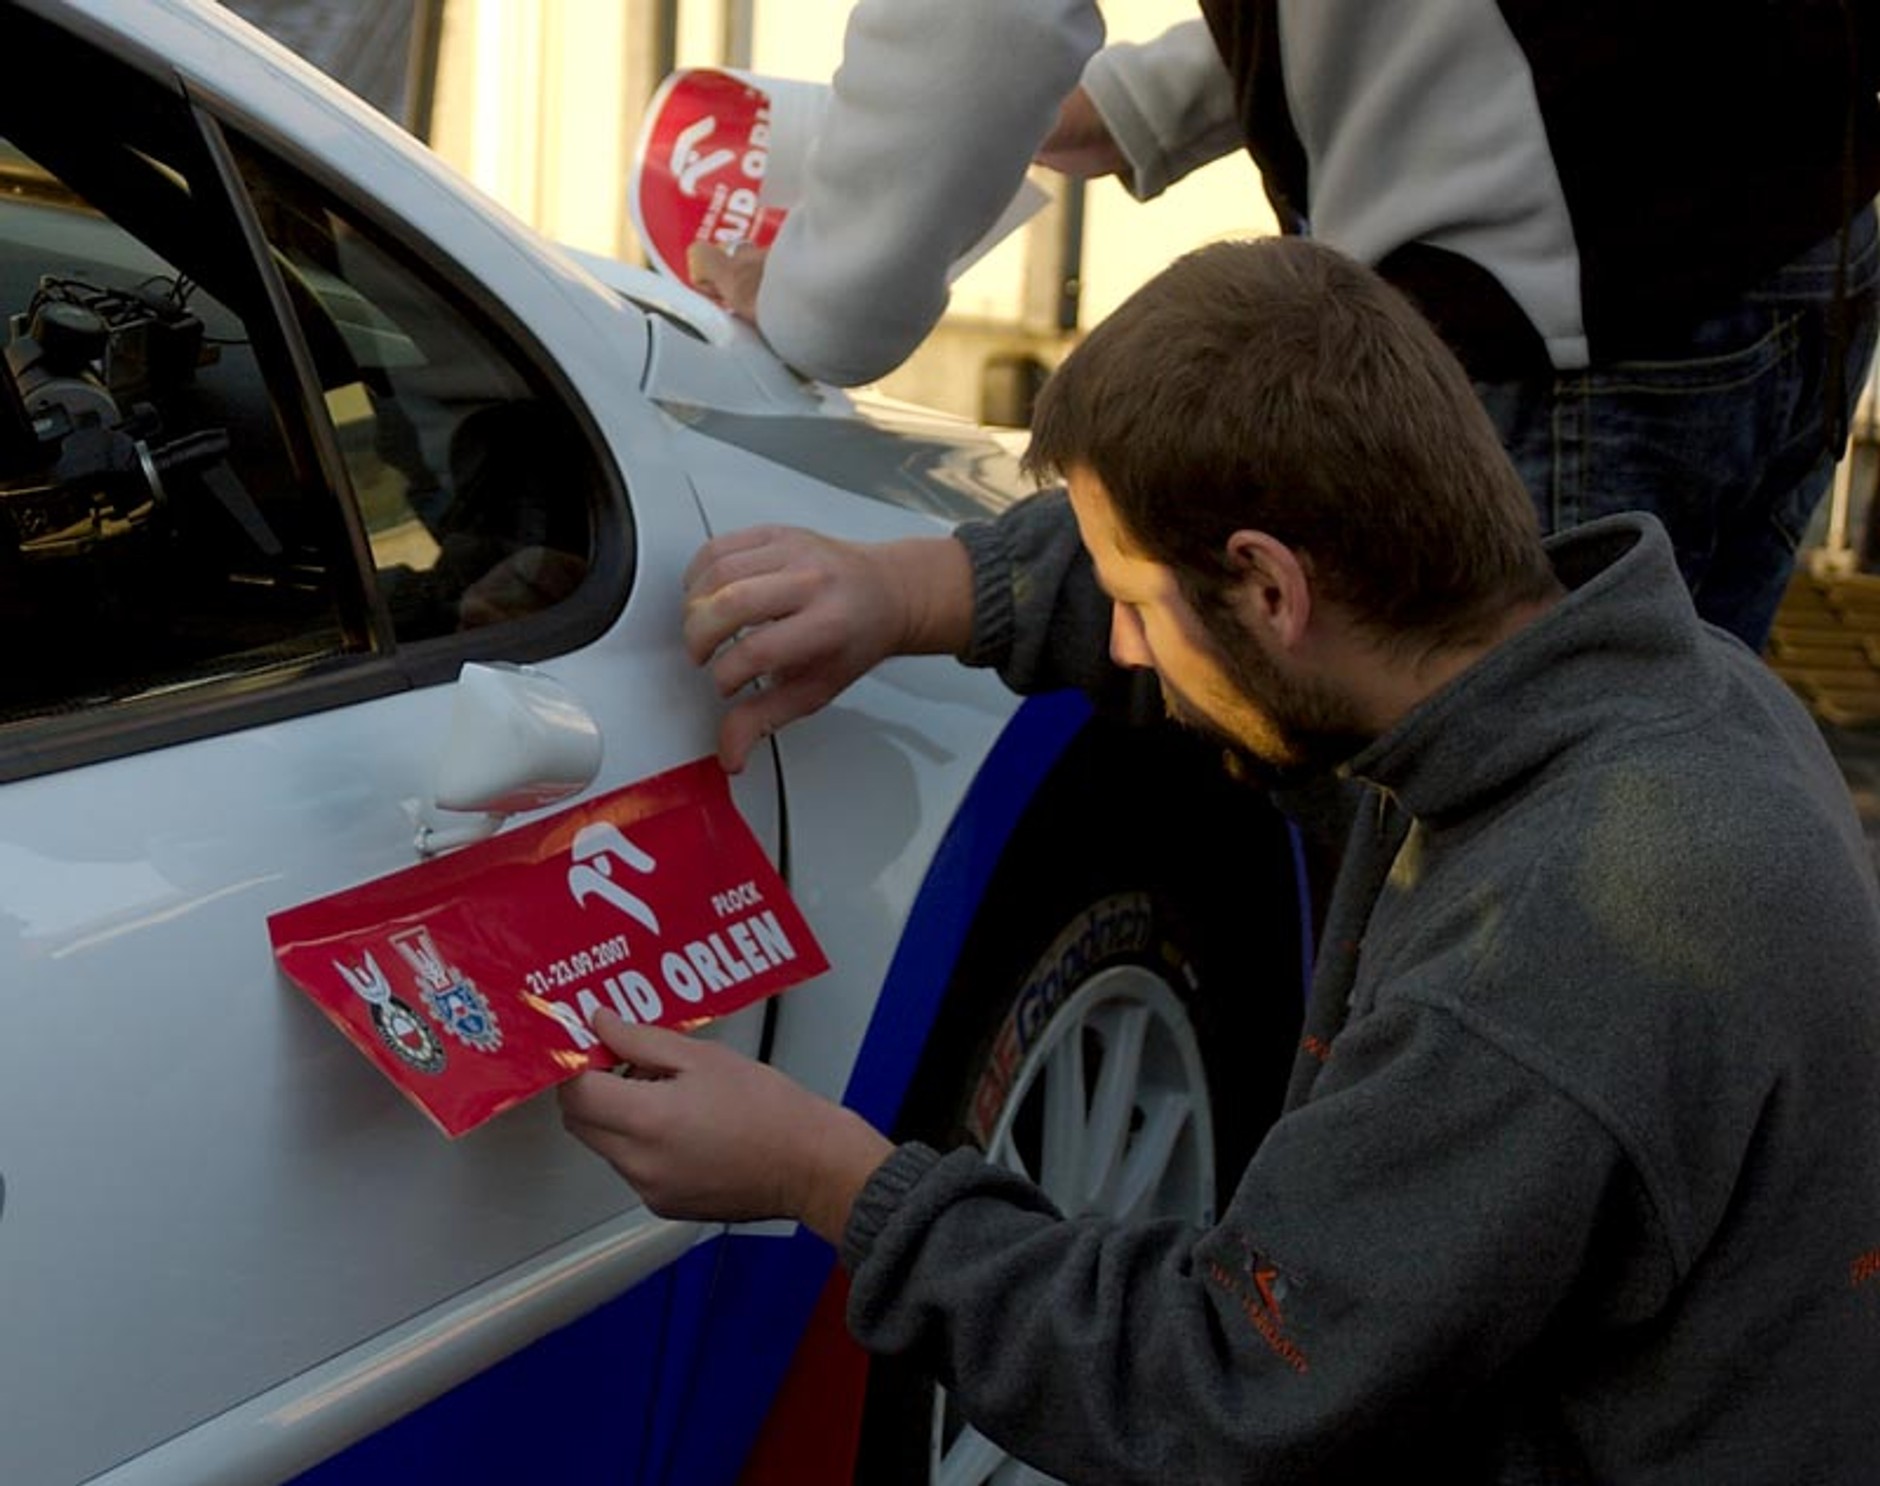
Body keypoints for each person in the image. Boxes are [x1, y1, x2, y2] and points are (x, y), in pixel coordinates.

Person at [563, 236, 1880, 1482]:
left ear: (1271, 589)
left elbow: (1226, 1394)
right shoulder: (1656, 686)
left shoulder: (1550, 958)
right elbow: (1228, 626)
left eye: (1135, 605)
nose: (1125, 649)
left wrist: (824, 1174)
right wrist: (918, 594)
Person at [688, 1, 1880, 650]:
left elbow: (980, 19)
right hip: (1803, 230)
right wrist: (1133, 103)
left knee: (1497, 890)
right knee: (1683, 793)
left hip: (1552, 307)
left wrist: (814, 303)